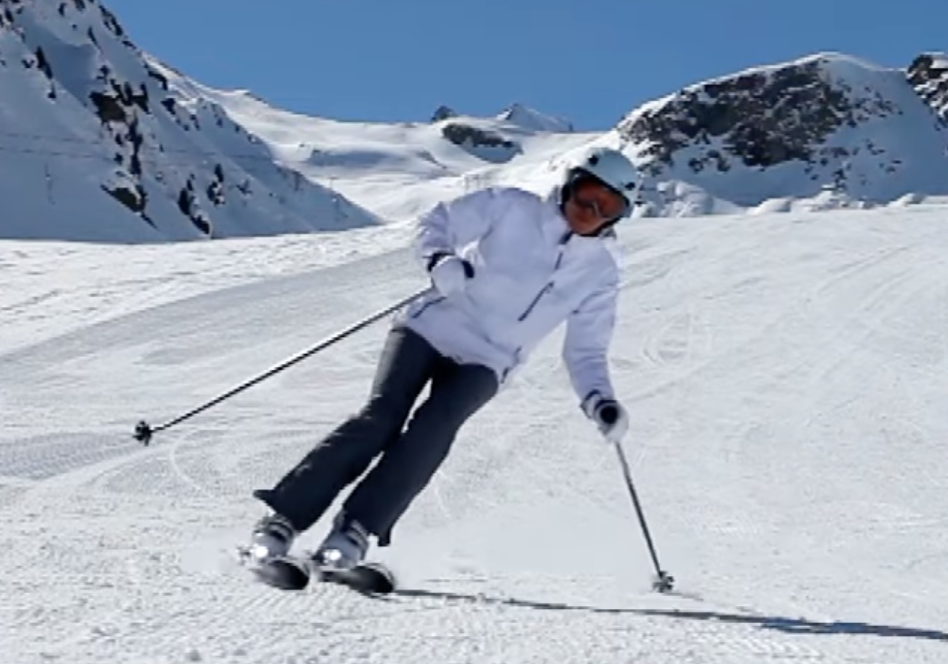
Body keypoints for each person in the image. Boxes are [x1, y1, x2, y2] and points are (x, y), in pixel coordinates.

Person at [243, 144, 646, 575]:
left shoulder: (599, 272)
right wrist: (441, 261)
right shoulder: (511, 207)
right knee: (381, 417)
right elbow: (438, 222)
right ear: (568, 185)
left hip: (488, 361)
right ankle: (284, 519)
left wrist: (600, 400)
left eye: (607, 206)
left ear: (617, 217)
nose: (590, 209)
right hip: (430, 327)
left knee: (433, 432)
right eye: (587, 193)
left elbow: (585, 349)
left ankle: (355, 529)